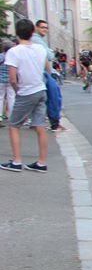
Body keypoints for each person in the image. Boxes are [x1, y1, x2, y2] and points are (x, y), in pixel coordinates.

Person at [1, 20, 51, 172]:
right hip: (40, 89)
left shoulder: (14, 52)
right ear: (32, 32)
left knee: (14, 125)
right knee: (40, 125)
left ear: (17, 33)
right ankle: (42, 162)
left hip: (26, 91)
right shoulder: (40, 49)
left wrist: (17, 90)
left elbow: (13, 78)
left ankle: (17, 161)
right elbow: (48, 69)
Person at [1, 39, 17, 123]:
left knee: (0, 98)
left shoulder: (1, 56)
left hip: (0, 80)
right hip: (10, 79)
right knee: (12, 98)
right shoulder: (12, 56)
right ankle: (12, 117)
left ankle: (0, 117)